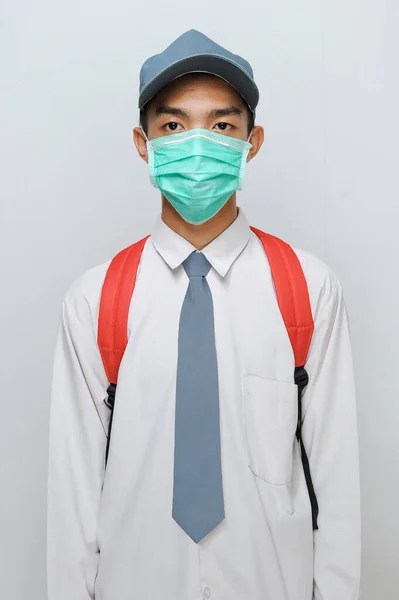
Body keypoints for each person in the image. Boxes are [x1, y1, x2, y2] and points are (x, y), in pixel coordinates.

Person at [47, 29, 361, 600]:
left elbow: (336, 485)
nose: (197, 144)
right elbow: (72, 498)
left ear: (253, 140)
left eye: (221, 125)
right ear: (143, 143)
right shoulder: (96, 300)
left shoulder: (307, 289)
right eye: (172, 126)